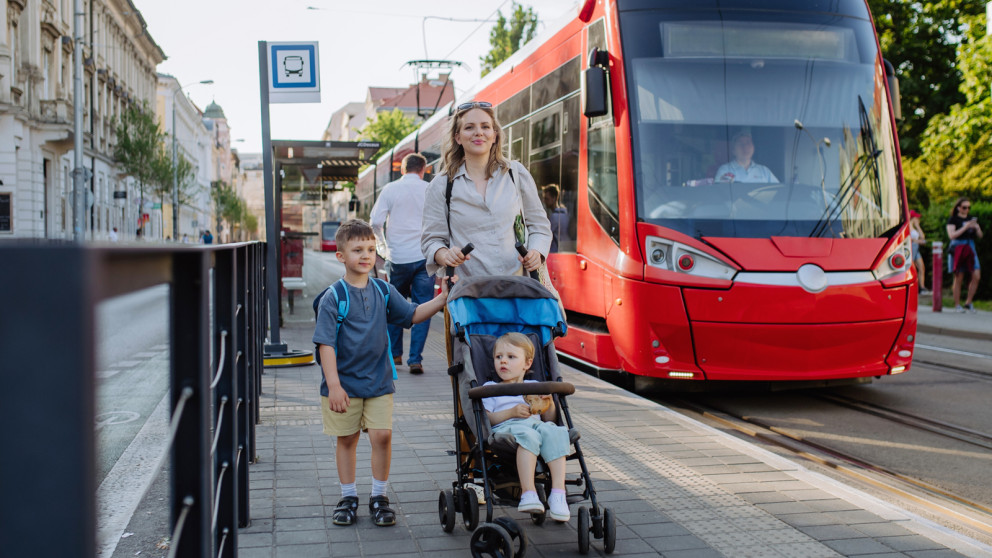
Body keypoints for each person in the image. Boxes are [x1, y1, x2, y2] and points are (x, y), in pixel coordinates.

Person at [313, 219, 453, 527]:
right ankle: (348, 496)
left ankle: (379, 496)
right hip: (343, 385)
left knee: (382, 436)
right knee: (347, 439)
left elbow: (412, 314)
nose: (366, 255)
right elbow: (326, 345)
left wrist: (442, 300)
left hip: (378, 381)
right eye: (357, 249)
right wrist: (334, 386)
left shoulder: (383, 290)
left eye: (371, 249)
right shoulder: (333, 297)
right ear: (341, 256)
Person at [421, 101, 552, 278]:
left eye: (485, 126)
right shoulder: (441, 185)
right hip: (469, 294)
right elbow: (431, 241)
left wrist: (536, 252)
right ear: (458, 137)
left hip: (519, 290)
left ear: (495, 135)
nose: (479, 132)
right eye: (469, 127)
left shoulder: (516, 173)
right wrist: (445, 255)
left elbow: (539, 226)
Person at [482, 332, 570, 522]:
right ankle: (528, 493)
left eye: (511, 357)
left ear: (527, 363)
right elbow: (486, 419)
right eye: (499, 357)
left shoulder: (535, 385)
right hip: (508, 428)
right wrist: (511, 413)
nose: (503, 361)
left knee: (555, 431)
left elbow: (550, 418)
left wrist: (550, 404)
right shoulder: (490, 388)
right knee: (528, 434)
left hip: (536, 425)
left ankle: (558, 492)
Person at [370, 153, 433, 374]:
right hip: (424, 258)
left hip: (397, 258)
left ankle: (395, 355)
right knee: (423, 307)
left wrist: (383, 248)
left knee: (394, 306)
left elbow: (376, 222)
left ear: (402, 169)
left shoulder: (390, 189)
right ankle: (415, 359)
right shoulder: (429, 189)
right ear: (423, 170)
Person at [945, 197, 983, 313]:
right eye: (964, 207)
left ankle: (968, 302)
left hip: (970, 247)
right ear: (958, 208)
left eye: (968, 207)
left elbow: (980, 236)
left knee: (976, 275)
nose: (967, 210)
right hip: (958, 248)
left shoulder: (971, 219)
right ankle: (957, 305)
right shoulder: (953, 220)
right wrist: (965, 226)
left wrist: (976, 228)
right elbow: (952, 235)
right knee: (959, 276)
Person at [714, 129, 779, 184]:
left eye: (748, 143)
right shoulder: (725, 170)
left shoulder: (764, 171)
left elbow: (777, 191)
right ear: (733, 150)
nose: (745, 147)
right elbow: (719, 193)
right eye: (740, 144)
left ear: (753, 148)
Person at [541, 184, 570, 253]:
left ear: (554, 198)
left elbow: (545, 233)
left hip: (554, 251)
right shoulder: (564, 213)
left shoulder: (555, 217)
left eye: (547, 199)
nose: (544, 201)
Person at [909, 210, 930, 295]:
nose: (918, 219)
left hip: (916, 249)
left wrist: (918, 226)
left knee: (922, 267)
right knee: (912, 268)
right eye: (917, 218)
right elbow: (907, 238)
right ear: (913, 218)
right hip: (912, 248)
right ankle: (913, 287)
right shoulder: (907, 226)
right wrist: (917, 241)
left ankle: (922, 287)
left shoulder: (914, 227)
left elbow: (922, 237)